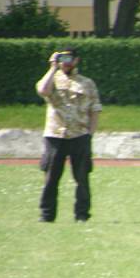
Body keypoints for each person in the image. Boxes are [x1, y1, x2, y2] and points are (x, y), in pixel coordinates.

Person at [35, 47, 102, 223]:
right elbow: (42, 91)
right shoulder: (52, 80)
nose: (66, 62)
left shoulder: (87, 83)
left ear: (76, 60)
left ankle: (82, 215)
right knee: (50, 178)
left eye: (69, 58)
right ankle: (47, 215)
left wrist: (90, 134)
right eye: (62, 58)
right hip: (54, 136)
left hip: (79, 135)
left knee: (82, 178)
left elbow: (95, 109)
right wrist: (52, 68)